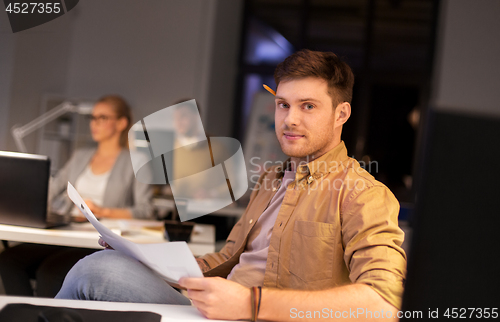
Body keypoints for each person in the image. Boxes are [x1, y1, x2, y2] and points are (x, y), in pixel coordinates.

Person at [56, 50, 406, 321]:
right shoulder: (273, 178)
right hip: (218, 307)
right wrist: (151, 261)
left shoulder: (362, 194)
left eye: (308, 106)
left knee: (95, 272)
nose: (290, 119)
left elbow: (384, 304)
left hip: (251, 313)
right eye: (283, 105)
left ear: (341, 114)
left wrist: (251, 303)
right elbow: (227, 258)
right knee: (108, 264)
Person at [0, 95, 153, 298]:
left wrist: (102, 211)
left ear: (121, 123)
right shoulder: (81, 155)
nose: (94, 123)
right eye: (93, 117)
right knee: (8, 260)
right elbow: (51, 190)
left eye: (102, 117)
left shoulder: (136, 161)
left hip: (97, 241)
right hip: (67, 231)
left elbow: (146, 210)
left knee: (50, 272)